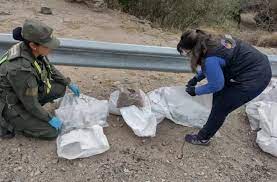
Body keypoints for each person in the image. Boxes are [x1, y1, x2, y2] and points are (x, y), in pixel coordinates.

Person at [177, 29, 272, 145]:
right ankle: (213, 121)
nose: (188, 56)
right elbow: (214, 65)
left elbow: (216, 84)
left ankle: (203, 138)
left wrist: (195, 91)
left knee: (221, 106)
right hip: (254, 66)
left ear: (194, 50)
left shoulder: (210, 58)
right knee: (219, 98)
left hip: (255, 78)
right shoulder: (212, 41)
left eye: (188, 53)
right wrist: (196, 79)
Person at [0, 19, 81, 140]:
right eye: (47, 45)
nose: (51, 48)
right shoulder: (21, 69)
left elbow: (49, 68)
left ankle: (34, 116)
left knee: (59, 88)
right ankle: (12, 122)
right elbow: (30, 104)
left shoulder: (30, 49)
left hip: (22, 93)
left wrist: (67, 83)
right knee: (52, 131)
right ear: (33, 45)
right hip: (11, 104)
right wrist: (49, 118)